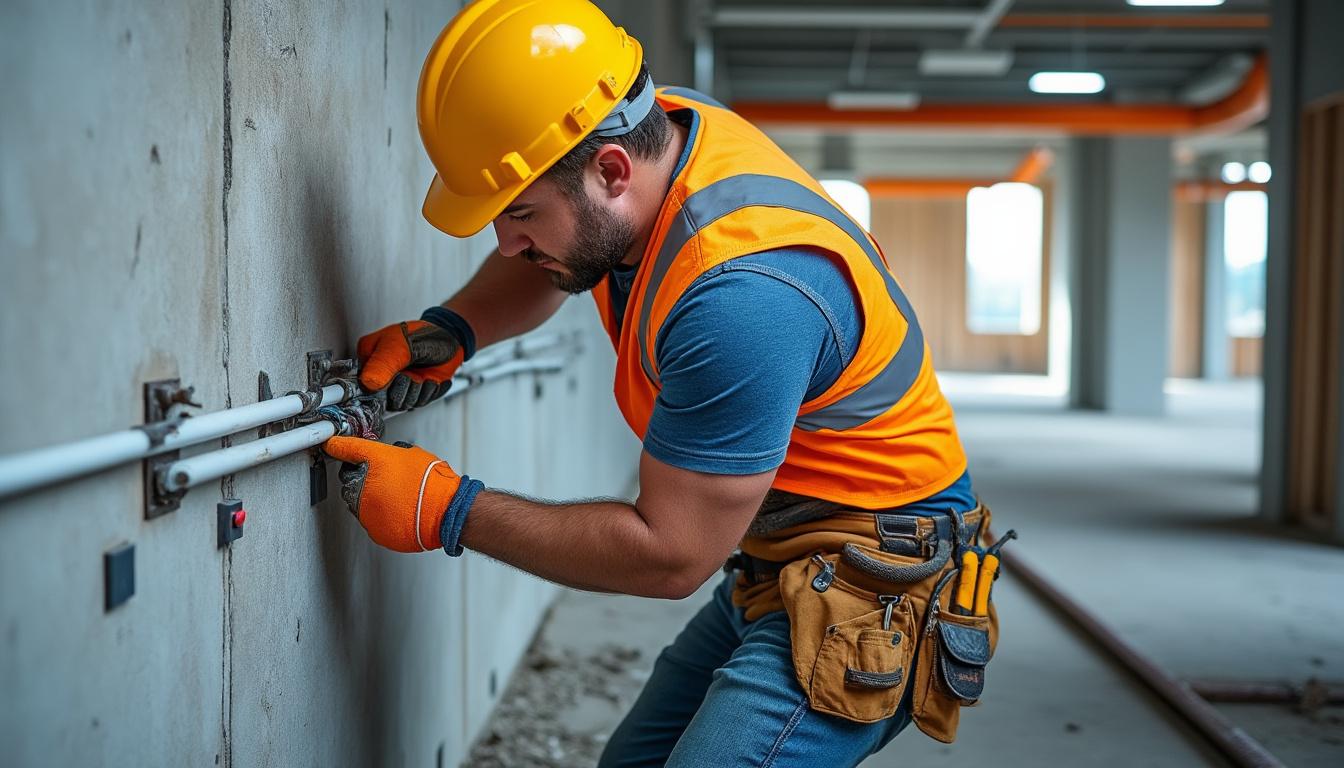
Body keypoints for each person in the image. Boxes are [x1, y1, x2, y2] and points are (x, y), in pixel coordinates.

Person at [322, 1, 1005, 765]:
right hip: (780, 550)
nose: (508, 243)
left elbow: (671, 554)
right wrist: (457, 326)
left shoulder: (743, 297)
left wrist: (447, 510)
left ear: (612, 170)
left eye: (519, 213)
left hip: (875, 578)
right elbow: (575, 255)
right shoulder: (660, 133)